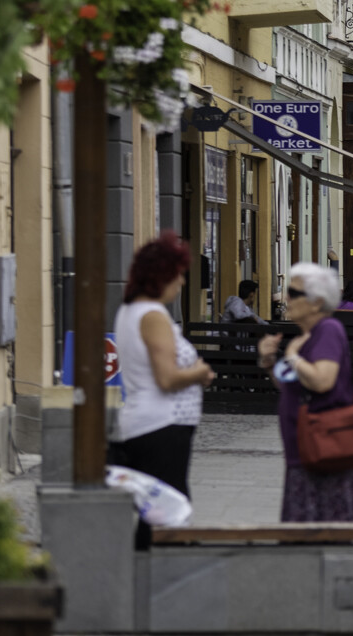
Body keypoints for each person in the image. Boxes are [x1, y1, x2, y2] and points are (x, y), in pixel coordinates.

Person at [112, 234, 216, 546]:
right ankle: (157, 571)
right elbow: (167, 379)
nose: (182, 282)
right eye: (178, 274)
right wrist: (200, 372)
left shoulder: (131, 311)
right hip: (160, 426)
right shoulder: (152, 316)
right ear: (161, 275)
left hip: (154, 425)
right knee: (168, 517)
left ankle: (150, 568)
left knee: (160, 512)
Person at [257, 262, 353, 522]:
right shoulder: (306, 336)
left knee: (322, 528)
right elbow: (292, 384)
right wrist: (269, 362)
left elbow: (322, 381)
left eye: (294, 293)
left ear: (317, 302)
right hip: (305, 451)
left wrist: (292, 357)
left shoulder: (328, 330)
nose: (286, 298)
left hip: (323, 451)